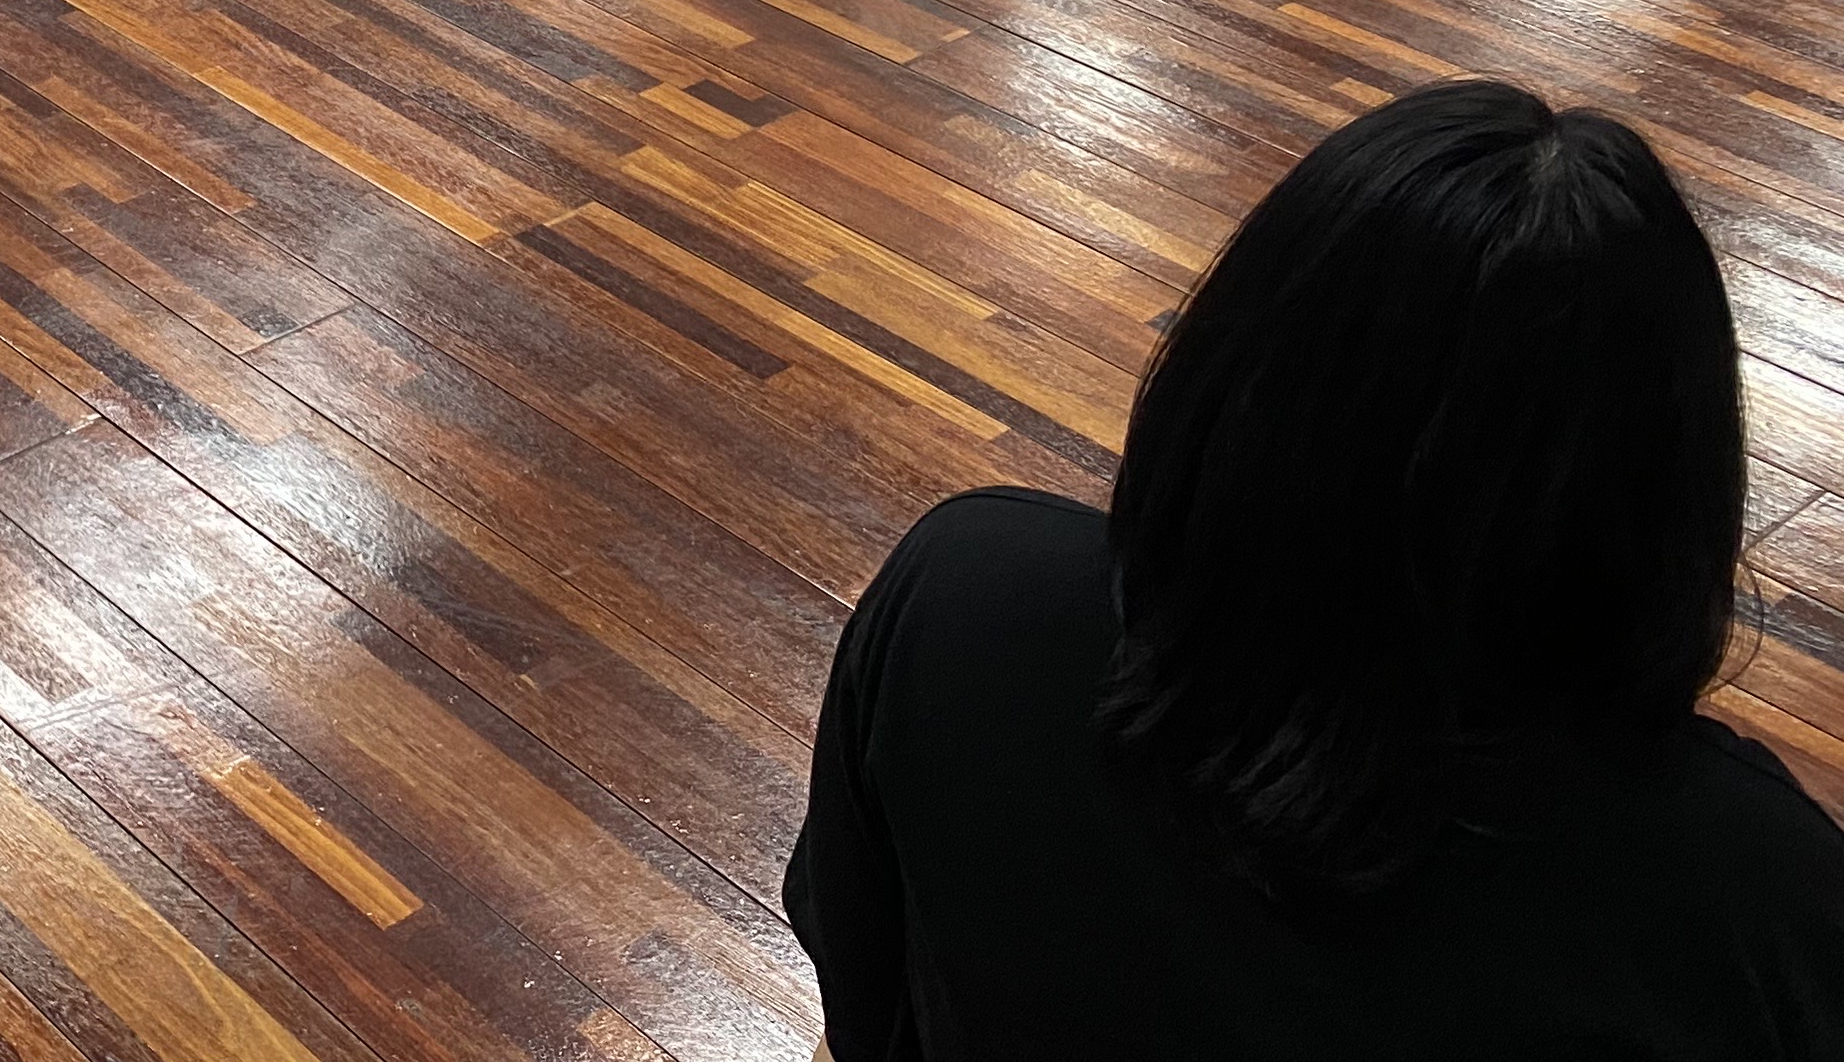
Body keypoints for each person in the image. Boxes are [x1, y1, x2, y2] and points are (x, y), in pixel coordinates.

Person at [788, 78, 1844, 1060]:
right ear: (1671, 484)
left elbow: (864, 993)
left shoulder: (964, 598)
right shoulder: (1761, 899)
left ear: (1227, 369)